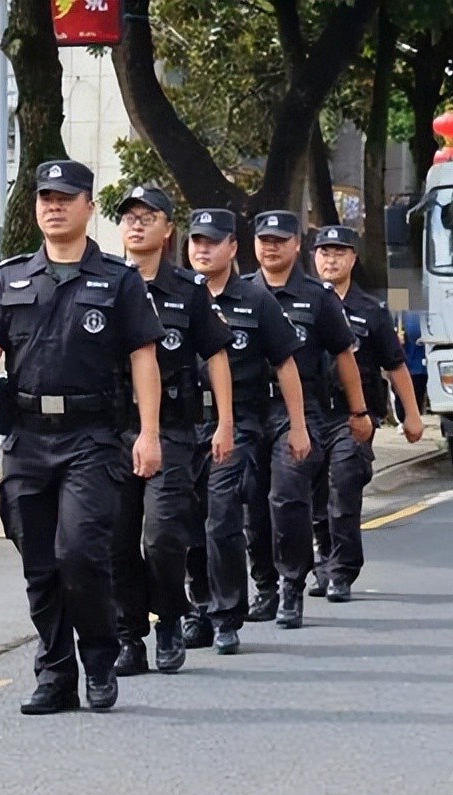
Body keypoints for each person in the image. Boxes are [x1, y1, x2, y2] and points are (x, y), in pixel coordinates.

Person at [0, 160, 165, 714]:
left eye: (66, 197)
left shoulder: (118, 281)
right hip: (28, 440)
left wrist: (148, 432)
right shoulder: (12, 276)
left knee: (81, 553)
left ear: (88, 206)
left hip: (92, 439)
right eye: (45, 197)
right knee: (40, 565)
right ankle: (55, 673)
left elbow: (144, 358)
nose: (53, 205)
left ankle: (99, 658)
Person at [109, 185, 235, 677]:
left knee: (162, 536)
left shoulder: (187, 290)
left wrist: (224, 422)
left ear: (167, 230)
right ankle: (129, 636)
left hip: (174, 433)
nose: (136, 224)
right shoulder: (102, 284)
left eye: (148, 217)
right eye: (129, 217)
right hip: (112, 432)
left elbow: (217, 355)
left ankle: (170, 618)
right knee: (116, 540)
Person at [187, 208, 308, 654]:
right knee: (183, 523)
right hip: (182, 426)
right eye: (196, 241)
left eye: (212, 241)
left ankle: (225, 615)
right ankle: (197, 606)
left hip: (237, 424)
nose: (202, 249)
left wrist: (298, 427)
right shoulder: (177, 296)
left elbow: (286, 365)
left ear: (232, 248)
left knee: (222, 518)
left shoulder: (256, 300)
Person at [244, 211, 373, 629]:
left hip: (298, 413)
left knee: (288, 499)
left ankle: (291, 587)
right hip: (248, 411)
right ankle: (262, 585)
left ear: (297, 245)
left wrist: (358, 413)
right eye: (265, 239)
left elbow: (345, 358)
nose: (271, 246)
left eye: (281, 239)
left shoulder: (318, 297)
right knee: (250, 503)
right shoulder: (240, 292)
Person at [310, 225, 424, 601]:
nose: (331, 259)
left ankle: (342, 571)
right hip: (307, 416)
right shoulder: (300, 303)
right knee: (311, 499)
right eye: (325, 252)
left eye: (339, 252)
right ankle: (323, 561)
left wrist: (412, 415)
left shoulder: (370, 311)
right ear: (313, 257)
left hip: (353, 417)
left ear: (353, 259)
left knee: (343, 491)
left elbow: (396, 366)